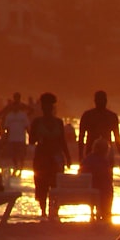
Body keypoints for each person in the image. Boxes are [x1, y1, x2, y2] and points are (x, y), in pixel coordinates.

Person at [29, 92, 71, 220]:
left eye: (50, 106)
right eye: (45, 106)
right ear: (42, 107)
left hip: (56, 158)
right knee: (41, 185)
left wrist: (68, 157)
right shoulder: (36, 122)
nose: (47, 108)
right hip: (41, 158)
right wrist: (38, 137)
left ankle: (54, 210)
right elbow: (31, 140)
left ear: (52, 107)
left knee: (56, 184)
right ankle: (43, 211)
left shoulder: (59, 122)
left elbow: (62, 141)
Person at [78, 90, 120, 170]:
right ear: (95, 101)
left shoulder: (111, 116)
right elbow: (81, 136)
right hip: (90, 152)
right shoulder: (88, 115)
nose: (101, 102)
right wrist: (80, 155)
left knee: (106, 178)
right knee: (92, 178)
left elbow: (117, 137)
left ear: (106, 101)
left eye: (103, 100)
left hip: (106, 152)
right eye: (99, 100)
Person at [81, 137, 114, 223]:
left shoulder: (87, 159)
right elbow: (108, 177)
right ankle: (106, 213)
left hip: (86, 188)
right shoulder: (103, 161)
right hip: (99, 189)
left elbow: (80, 174)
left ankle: (101, 212)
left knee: (105, 188)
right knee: (108, 189)